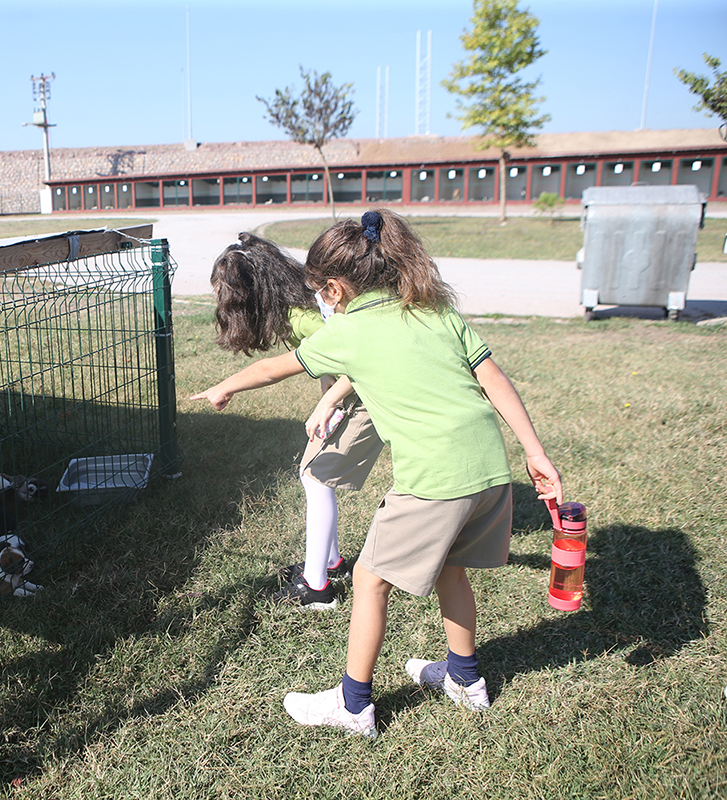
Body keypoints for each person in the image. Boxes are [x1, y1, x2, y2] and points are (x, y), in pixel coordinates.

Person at [192, 210, 562, 737]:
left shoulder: (352, 331)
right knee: (450, 570)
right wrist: (535, 452)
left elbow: (277, 367)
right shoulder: (434, 310)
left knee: (368, 580)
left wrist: (226, 386)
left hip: (435, 482)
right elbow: (493, 378)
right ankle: (465, 680)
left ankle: (353, 705)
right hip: (490, 472)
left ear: (336, 289)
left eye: (321, 290)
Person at [208, 232, 384, 610]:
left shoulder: (302, 318)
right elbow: (333, 362)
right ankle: (330, 561)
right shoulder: (300, 300)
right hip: (354, 395)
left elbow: (360, 358)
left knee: (315, 476)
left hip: (370, 397)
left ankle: (317, 589)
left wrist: (330, 402)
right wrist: (330, 399)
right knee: (318, 475)